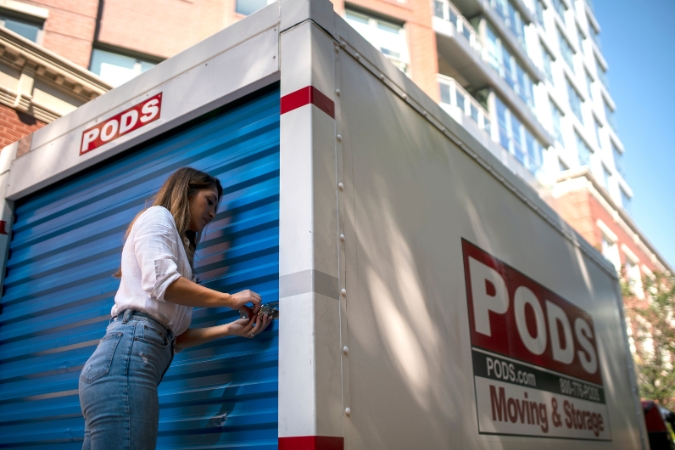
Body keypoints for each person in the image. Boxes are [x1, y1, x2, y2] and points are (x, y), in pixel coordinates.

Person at [78, 167, 272, 449]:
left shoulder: (179, 246)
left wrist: (228, 329)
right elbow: (164, 284)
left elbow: (175, 338)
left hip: (126, 363)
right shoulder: (158, 217)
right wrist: (229, 299)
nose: (214, 213)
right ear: (187, 191)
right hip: (126, 362)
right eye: (210, 200)